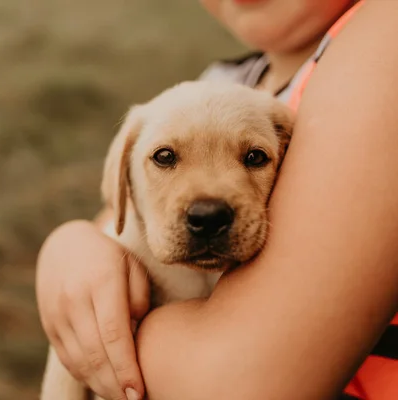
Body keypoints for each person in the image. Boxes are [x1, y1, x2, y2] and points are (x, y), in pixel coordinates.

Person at [35, 1, 398, 399]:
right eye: (166, 157)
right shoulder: (221, 80)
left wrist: (108, 342)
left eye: (254, 158)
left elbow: (248, 381)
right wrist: (67, 245)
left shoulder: (377, 51)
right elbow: (107, 227)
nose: (207, 208)